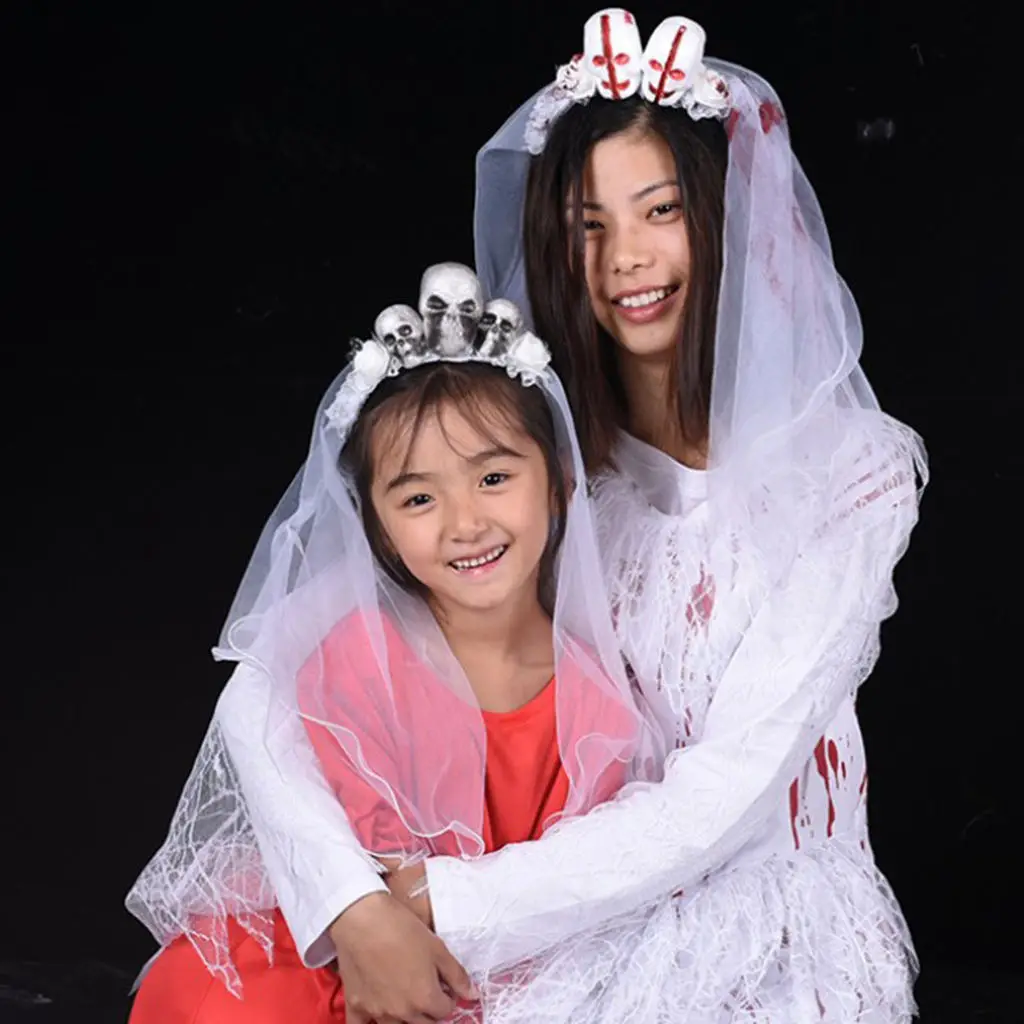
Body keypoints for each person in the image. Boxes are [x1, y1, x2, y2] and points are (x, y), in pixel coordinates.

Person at [133, 10, 928, 1022]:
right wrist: (352, 905)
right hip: (536, 883)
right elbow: (264, 683)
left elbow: (723, 794)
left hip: (732, 910)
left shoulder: (847, 473)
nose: (625, 257)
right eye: (589, 225)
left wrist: (441, 901)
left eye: (660, 210)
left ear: (726, 218)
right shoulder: (542, 463)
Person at [126, 264, 660, 1022]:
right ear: (376, 526)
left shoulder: (599, 703)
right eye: (418, 498)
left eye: (494, 478)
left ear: (559, 484)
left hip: (502, 958)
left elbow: (565, 889)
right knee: (219, 999)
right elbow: (374, 886)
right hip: (360, 946)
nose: (464, 523)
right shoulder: (359, 660)